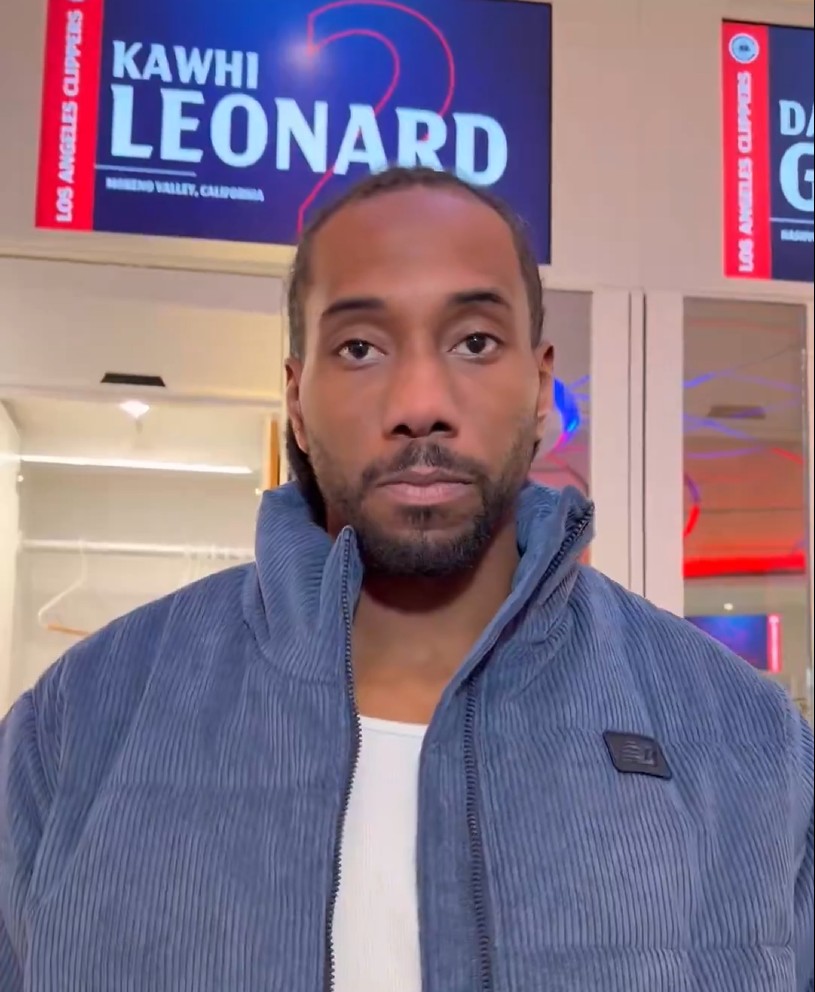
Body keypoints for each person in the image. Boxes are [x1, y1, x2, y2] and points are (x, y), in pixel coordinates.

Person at [1, 166, 812, 992]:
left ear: (539, 389)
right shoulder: (76, 725)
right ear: (297, 403)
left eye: (474, 342)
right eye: (360, 348)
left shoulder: (749, 740)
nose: (420, 402)